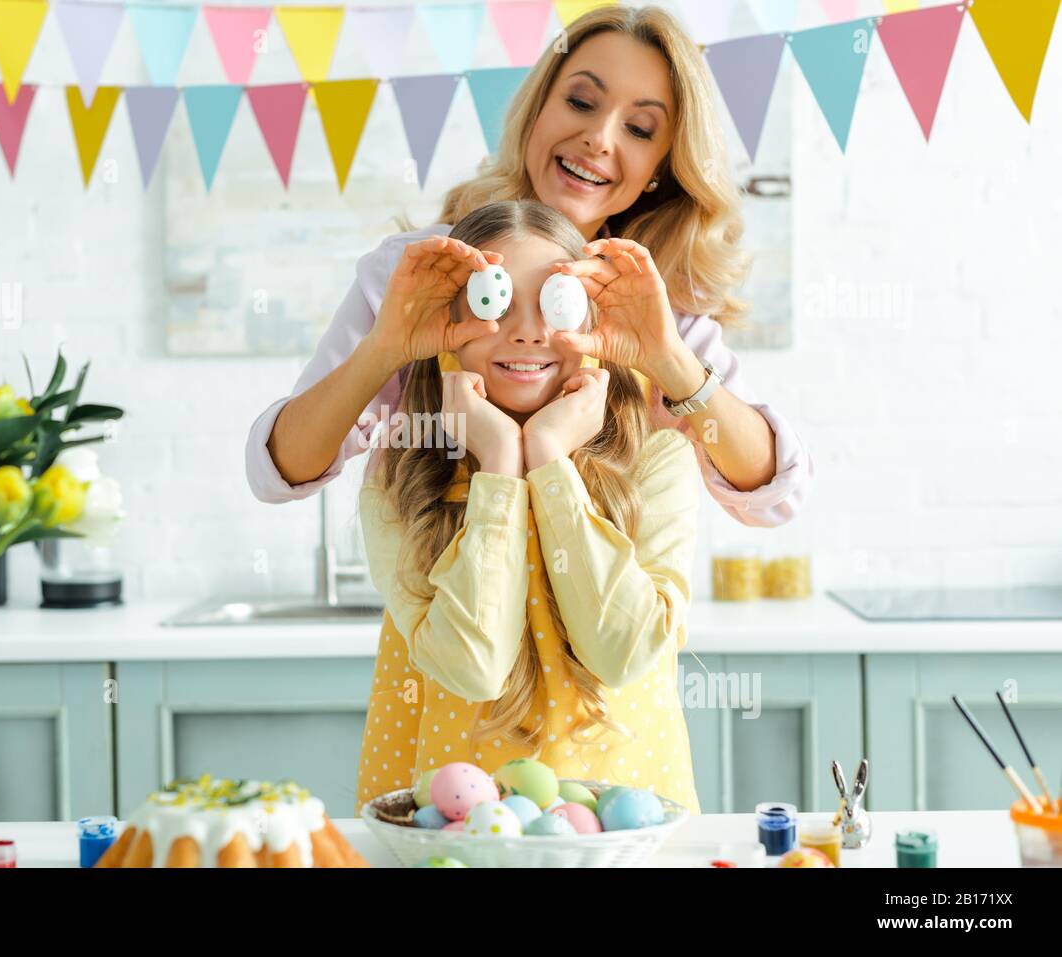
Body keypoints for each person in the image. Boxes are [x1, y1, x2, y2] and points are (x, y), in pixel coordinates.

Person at [247, 4, 812, 527]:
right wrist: (384, 351)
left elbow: (773, 497)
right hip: (443, 622)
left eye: (639, 129)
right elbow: (280, 473)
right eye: (581, 102)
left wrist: (671, 361)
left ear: (660, 168)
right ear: (537, 111)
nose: (598, 137)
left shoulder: (657, 306)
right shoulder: (418, 273)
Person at [354, 199, 701, 815]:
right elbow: (475, 667)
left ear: (592, 324)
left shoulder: (656, 462)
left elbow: (622, 651)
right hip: (464, 837)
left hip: (625, 830)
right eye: (495, 302)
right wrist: (500, 468)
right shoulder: (401, 476)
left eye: (554, 303)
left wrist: (548, 458)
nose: (528, 332)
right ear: (448, 330)